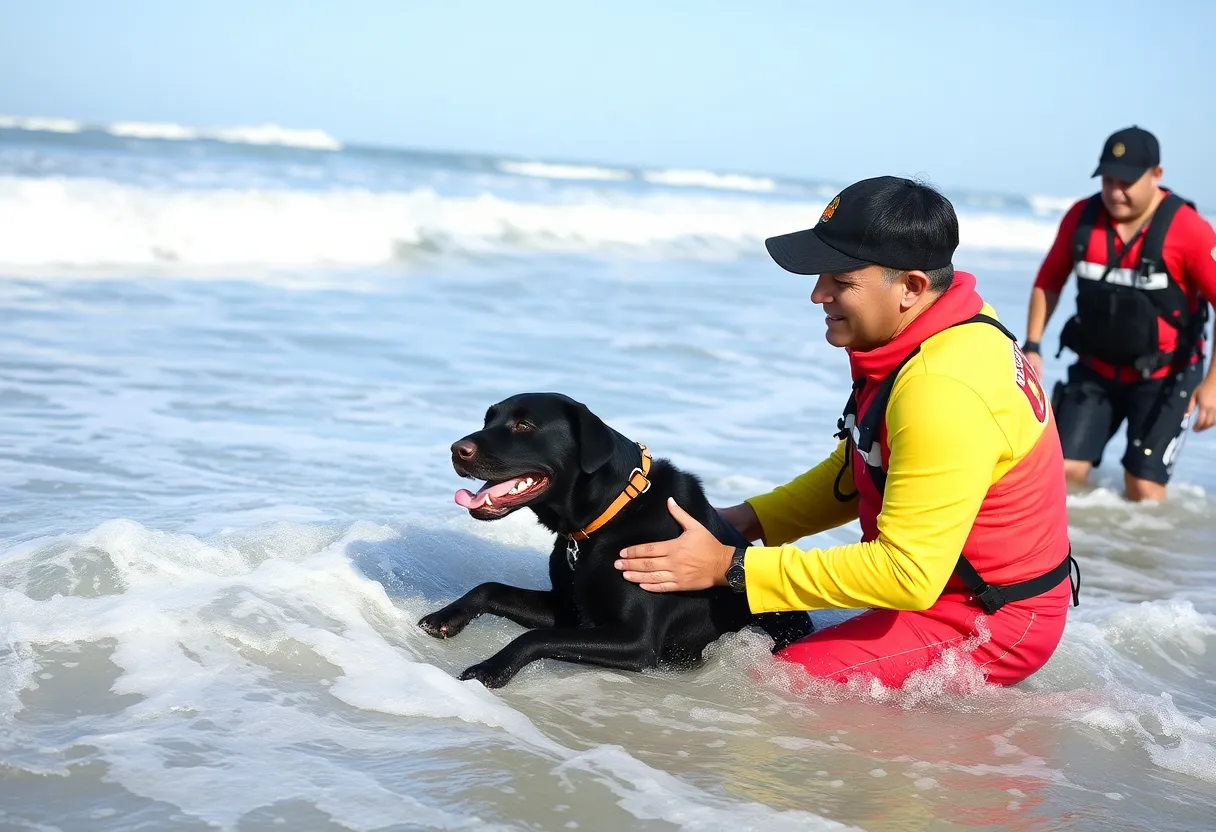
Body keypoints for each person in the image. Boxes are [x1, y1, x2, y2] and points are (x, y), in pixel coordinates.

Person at [613, 176, 1079, 690]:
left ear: (912, 287)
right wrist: (746, 521)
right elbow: (866, 461)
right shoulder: (936, 332)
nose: (818, 294)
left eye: (842, 280)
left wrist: (731, 566)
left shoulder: (941, 388)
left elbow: (906, 573)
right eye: (819, 276)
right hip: (943, 586)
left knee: (766, 688)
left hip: (990, 619)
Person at [1021, 126, 1216, 502]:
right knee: (1060, 475)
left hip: (1165, 376)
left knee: (1142, 488)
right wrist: (1032, 345)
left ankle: (1143, 558)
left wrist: (1211, 385)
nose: (1114, 192)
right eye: (1108, 180)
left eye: (1126, 182)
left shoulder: (1189, 229)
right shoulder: (1081, 217)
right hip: (1095, 371)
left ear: (1156, 175)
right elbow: (1048, 280)